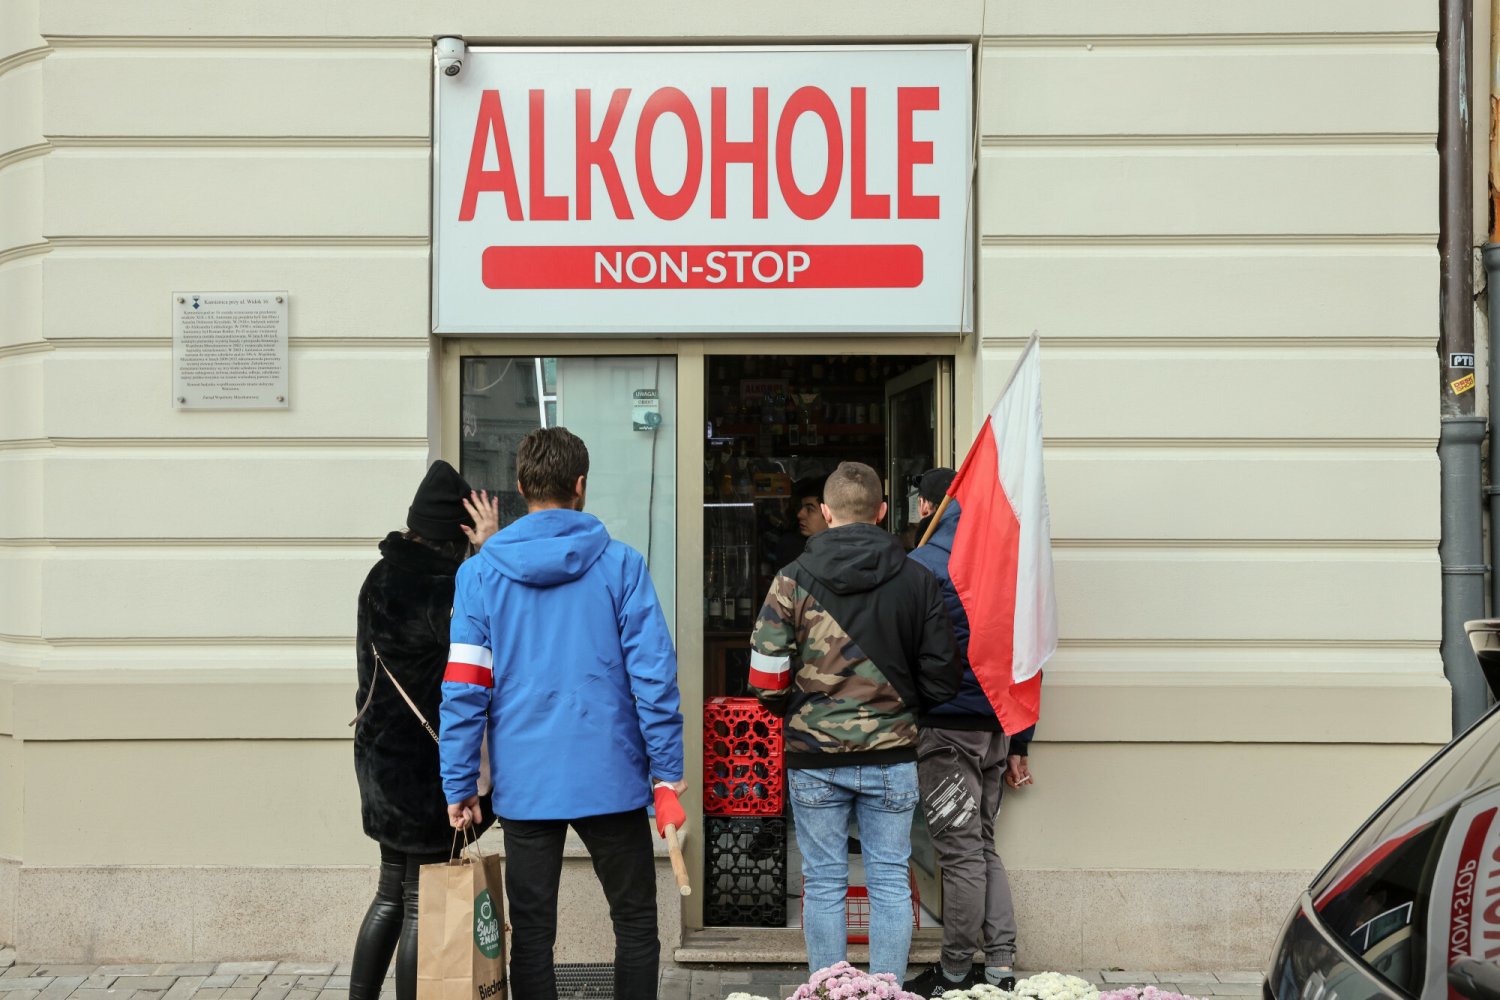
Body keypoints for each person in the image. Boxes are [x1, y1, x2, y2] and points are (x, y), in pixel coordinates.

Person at [438, 427, 687, 1000]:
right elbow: (654, 679)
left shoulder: (478, 575)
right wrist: (666, 776)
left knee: (530, 933)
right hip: (613, 777)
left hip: (526, 783)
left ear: (523, 486)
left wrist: (458, 781)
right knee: (634, 925)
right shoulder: (622, 566)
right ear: (581, 486)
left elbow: (465, 688)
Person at [749, 461, 960, 982]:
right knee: (890, 880)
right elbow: (943, 673)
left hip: (813, 758)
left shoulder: (791, 580)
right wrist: (907, 711)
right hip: (892, 757)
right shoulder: (917, 577)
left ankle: (828, 992)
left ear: (824, 512)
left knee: (823, 883)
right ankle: (886, 991)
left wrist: (799, 712)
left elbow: (765, 678)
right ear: (883, 512)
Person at [349, 460, 500, 1000]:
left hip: (378, 756)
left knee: (391, 891)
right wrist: (489, 549)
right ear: (457, 532)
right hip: (426, 763)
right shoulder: (446, 587)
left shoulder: (380, 575)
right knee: (420, 901)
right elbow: (493, 631)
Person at [902, 468, 1036, 998]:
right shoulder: (1006, 562)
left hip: (945, 727)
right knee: (982, 844)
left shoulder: (922, 566)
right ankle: (1000, 964)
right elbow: (1029, 657)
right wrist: (1022, 738)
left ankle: (956, 971)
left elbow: (903, 650)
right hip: (996, 726)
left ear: (927, 507)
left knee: (957, 852)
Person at [772, 476, 831, 567]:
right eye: (800, 507)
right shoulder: (793, 548)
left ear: (829, 512)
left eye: (810, 509)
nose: (799, 514)